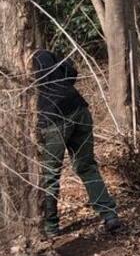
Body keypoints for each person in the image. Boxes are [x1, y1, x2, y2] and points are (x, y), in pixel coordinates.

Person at [30, 50, 121, 237]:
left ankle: (51, 226)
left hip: (54, 119)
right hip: (79, 110)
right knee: (86, 166)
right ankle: (109, 214)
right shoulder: (50, 55)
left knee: (50, 174)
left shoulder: (31, 60)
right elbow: (71, 72)